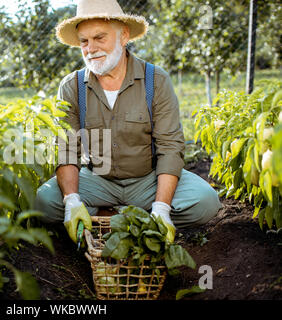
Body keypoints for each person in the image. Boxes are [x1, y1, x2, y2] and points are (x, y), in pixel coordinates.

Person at [34, 0, 222, 244]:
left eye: (99, 38)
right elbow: (66, 149)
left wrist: (163, 207)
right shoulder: (72, 87)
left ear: (123, 36)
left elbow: (170, 147)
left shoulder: (155, 80)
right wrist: (71, 200)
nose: (90, 48)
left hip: (148, 178)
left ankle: (120, 218)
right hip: (96, 180)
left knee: (205, 202)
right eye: (84, 41)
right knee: (44, 203)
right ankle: (122, 218)